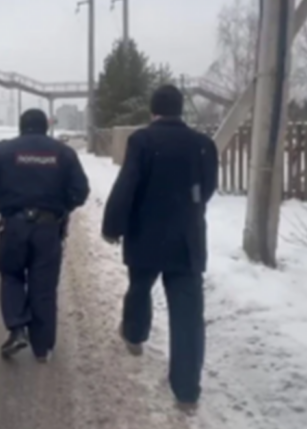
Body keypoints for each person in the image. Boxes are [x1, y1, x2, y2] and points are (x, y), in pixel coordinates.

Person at [101, 84, 218, 412]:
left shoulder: (143, 141)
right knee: (187, 315)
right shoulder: (203, 144)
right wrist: (187, 210)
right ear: (180, 110)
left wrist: (113, 226)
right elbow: (208, 188)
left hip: (146, 235)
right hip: (186, 240)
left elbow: (128, 184)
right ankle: (187, 391)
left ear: (152, 111)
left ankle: (135, 335)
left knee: (139, 288)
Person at [0, 109, 89, 362]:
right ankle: (42, 348)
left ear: (21, 127)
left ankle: (17, 328)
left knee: (11, 275)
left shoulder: (3, 151)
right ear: (46, 127)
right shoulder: (63, 153)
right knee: (43, 285)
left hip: (13, 226)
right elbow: (80, 191)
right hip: (48, 228)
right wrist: (62, 207)